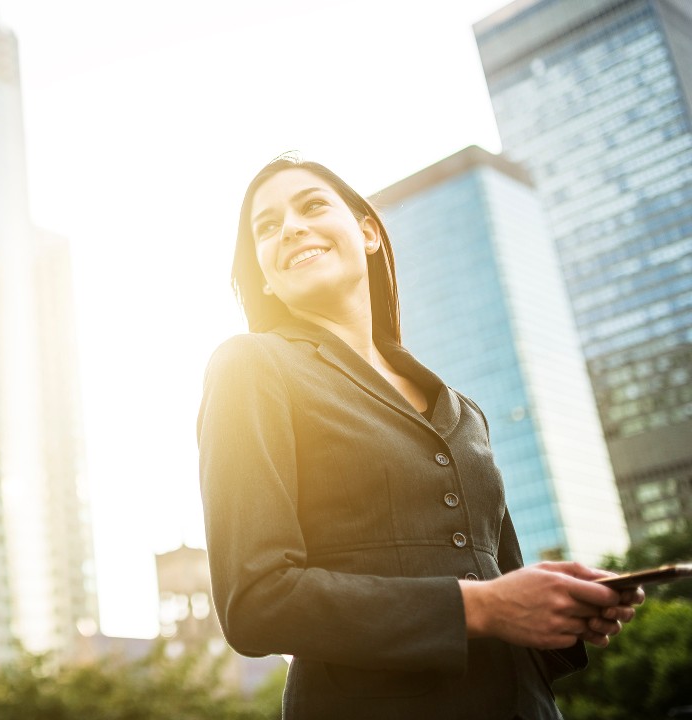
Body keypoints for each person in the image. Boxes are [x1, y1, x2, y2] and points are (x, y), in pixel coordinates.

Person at [197, 155, 643, 719]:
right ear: (264, 272)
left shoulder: (464, 411)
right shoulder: (251, 367)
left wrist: (561, 608)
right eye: (267, 227)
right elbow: (256, 602)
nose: (290, 228)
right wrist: (482, 608)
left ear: (367, 233)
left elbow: (502, 581)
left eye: (311, 206)